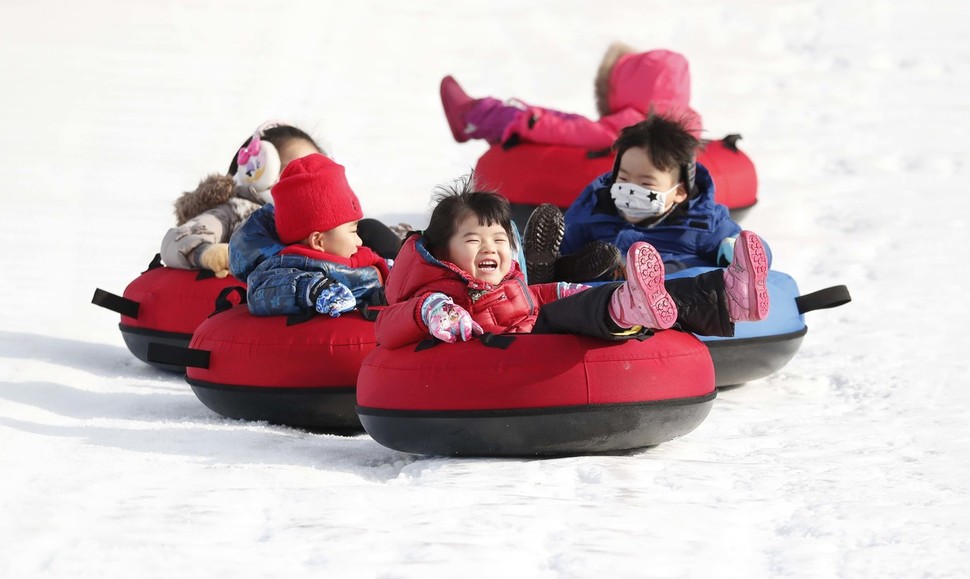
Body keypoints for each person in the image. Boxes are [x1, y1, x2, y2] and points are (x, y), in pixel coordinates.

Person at [374, 176, 769, 350]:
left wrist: (561, 289)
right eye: (474, 241)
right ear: (444, 254)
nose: (489, 248)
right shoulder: (441, 293)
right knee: (590, 310)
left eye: (500, 240)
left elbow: (530, 298)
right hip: (518, 348)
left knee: (618, 299)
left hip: (533, 331)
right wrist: (429, 311)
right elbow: (388, 327)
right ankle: (627, 304)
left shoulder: (506, 283)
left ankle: (728, 295)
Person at [523, 115, 771, 283]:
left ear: (679, 192)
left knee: (691, 278)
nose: (631, 190)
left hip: (674, 294)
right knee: (592, 263)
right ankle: (543, 273)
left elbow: (754, 253)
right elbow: (569, 239)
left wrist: (738, 251)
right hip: (602, 295)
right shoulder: (596, 207)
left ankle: (625, 274)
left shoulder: (703, 222)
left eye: (646, 184)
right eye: (623, 179)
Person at [160, 122, 401, 278]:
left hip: (330, 277)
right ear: (255, 170)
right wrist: (210, 254)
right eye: (291, 171)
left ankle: (411, 269)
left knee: (370, 228)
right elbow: (178, 240)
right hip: (279, 284)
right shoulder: (237, 209)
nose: (307, 181)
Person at [439, 44, 702, 150]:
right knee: (572, 119)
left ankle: (472, 116)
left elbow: (575, 134)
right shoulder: (689, 122)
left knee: (522, 118)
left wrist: (532, 123)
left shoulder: (633, 126)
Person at [241, 153, 389, 317]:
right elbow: (262, 291)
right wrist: (313, 289)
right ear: (319, 241)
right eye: (353, 231)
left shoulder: (364, 259)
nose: (359, 241)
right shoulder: (288, 267)